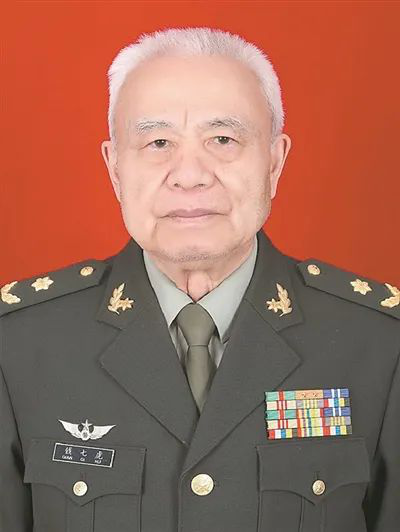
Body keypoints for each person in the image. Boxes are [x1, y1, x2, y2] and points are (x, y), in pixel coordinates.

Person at [0, 26, 399, 532]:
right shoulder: (18, 344)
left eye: (223, 139)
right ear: (115, 168)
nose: (189, 175)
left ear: (274, 162)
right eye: (158, 142)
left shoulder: (379, 344)